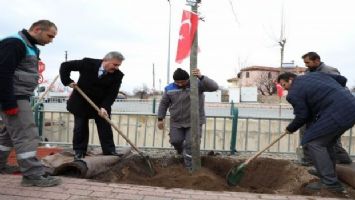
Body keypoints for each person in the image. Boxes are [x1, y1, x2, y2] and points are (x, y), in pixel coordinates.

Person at [0, 20, 61, 187]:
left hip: (18, 96)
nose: (51, 40)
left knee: (8, 136)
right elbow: (3, 73)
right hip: (14, 97)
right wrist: (8, 103)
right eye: (50, 35)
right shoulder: (14, 43)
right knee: (27, 135)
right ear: (36, 29)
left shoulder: (27, 45)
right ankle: (32, 176)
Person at [278, 72, 355, 192]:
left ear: (290, 79)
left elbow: (302, 116)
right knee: (326, 142)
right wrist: (334, 93)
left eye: (284, 85)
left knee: (313, 143)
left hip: (336, 112)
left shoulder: (294, 93)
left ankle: (330, 183)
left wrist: (290, 128)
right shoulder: (315, 75)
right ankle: (327, 173)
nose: (284, 89)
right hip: (351, 106)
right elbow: (342, 79)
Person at [60, 51, 125, 160]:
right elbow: (65, 66)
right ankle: (79, 151)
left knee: (105, 127)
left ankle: (109, 150)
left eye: (119, 65)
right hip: (81, 101)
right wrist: (67, 81)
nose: (117, 68)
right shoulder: (87, 63)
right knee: (80, 127)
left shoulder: (117, 75)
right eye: (115, 64)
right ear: (106, 60)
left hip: (101, 104)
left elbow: (112, 94)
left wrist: (104, 107)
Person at [157, 68, 218, 170]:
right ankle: (181, 152)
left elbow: (214, 87)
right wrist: (160, 118)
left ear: (188, 79)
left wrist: (201, 76)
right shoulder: (169, 89)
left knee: (191, 144)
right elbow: (163, 104)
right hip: (176, 121)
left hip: (194, 121)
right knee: (175, 141)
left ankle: (190, 168)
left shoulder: (197, 84)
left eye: (183, 82)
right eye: (178, 82)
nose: (180, 84)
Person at [298, 52, 352, 166]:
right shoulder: (308, 72)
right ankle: (309, 159)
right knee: (305, 131)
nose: (306, 65)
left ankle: (342, 157)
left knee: (331, 137)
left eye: (308, 62)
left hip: (331, 109)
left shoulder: (329, 71)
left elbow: (342, 89)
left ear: (316, 60)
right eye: (305, 63)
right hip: (315, 110)